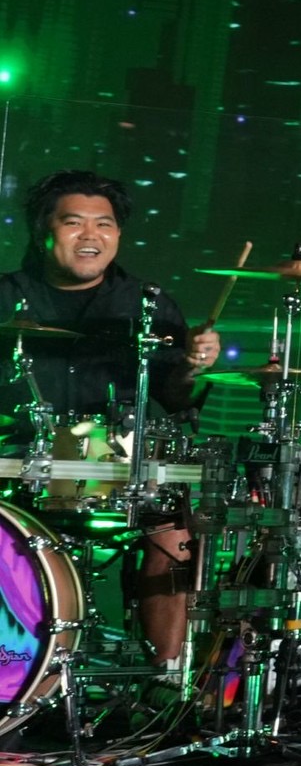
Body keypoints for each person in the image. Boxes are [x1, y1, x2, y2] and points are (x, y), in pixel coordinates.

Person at [0, 170, 221, 668]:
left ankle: (164, 680)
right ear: (42, 230)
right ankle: (15, 670)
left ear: (118, 234)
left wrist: (191, 366)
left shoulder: (148, 303)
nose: (90, 235)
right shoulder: (6, 297)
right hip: (18, 466)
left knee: (174, 533)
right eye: (73, 222)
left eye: (104, 224)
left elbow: (174, 398)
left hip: (115, 465)